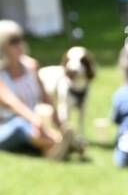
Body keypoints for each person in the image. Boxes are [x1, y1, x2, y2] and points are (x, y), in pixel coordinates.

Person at [0, 19, 74, 160]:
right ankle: (57, 144)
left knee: (31, 125)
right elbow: (13, 103)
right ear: (2, 46)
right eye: (13, 41)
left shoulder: (31, 66)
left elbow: (46, 99)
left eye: (20, 39)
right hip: (7, 128)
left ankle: (55, 146)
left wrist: (61, 125)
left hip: (37, 126)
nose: (19, 44)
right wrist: (34, 120)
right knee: (19, 124)